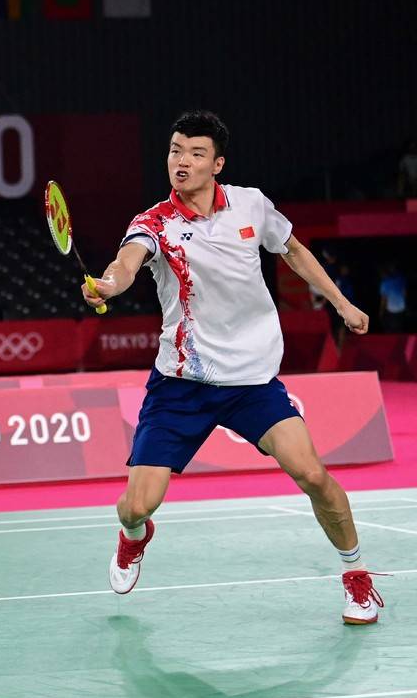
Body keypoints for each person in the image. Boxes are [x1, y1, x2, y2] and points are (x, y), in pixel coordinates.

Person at [83, 110, 384, 624]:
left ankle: (357, 577)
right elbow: (127, 261)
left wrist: (341, 303)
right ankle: (134, 537)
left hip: (251, 383)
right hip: (182, 384)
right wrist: (109, 285)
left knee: (312, 474)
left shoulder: (251, 204)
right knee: (138, 505)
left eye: (195, 153)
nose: (181, 161)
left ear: (217, 164)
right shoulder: (154, 223)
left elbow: (292, 250)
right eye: (175, 150)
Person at [379, 262, 407, 332]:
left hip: (393, 311)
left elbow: (383, 300)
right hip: (400, 309)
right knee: (399, 330)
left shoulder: (386, 282)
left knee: (392, 331)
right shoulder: (401, 279)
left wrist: (381, 312)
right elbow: (404, 293)